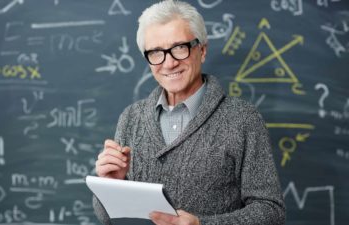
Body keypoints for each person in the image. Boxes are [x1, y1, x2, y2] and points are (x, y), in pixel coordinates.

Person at [93, 1, 285, 224]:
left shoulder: (242, 119)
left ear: (202, 50)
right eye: (156, 52)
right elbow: (108, 219)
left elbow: (271, 212)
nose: (170, 62)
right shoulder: (131, 118)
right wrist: (113, 184)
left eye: (180, 48)